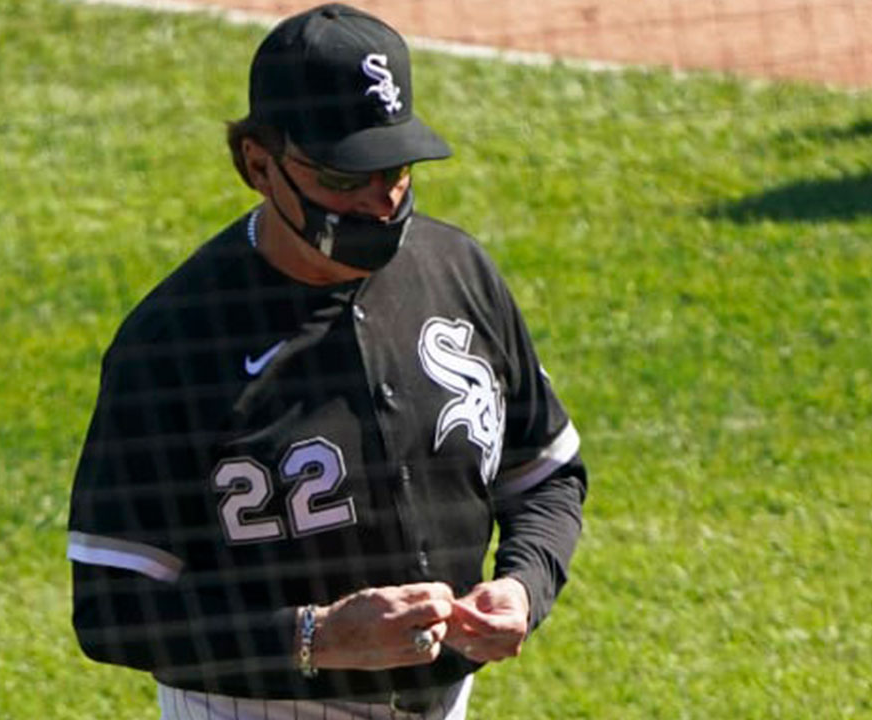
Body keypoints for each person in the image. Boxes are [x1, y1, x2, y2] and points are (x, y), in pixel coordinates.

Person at [67, 4, 587, 718]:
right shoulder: (176, 343)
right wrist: (313, 637)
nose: (381, 201)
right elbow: (111, 607)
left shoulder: (457, 272)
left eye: (394, 168)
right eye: (344, 177)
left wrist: (525, 585)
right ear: (258, 163)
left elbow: (546, 473)